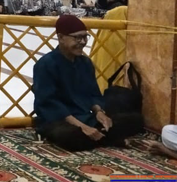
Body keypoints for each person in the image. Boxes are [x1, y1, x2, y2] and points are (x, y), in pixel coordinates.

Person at [33, 15, 143, 151]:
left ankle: (101, 136)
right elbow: (49, 103)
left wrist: (100, 113)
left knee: (136, 120)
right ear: (61, 38)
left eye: (85, 37)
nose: (83, 42)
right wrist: (82, 127)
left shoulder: (85, 63)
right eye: (77, 38)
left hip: (85, 116)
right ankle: (108, 138)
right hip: (59, 119)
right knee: (69, 136)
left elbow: (93, 93)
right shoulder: (45, 64)